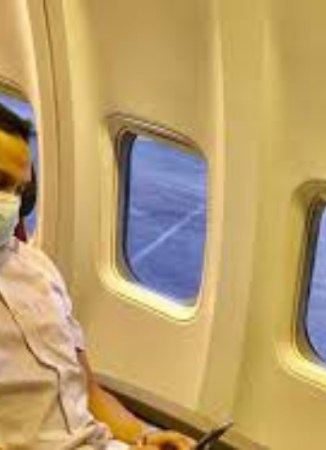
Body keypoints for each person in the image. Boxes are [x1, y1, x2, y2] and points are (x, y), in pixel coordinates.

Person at [0, 102, 196, 450]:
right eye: (0, 182)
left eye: (19, 191)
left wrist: (143, 436)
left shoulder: (39, 269)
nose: (10, 203)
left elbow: (88, 390)